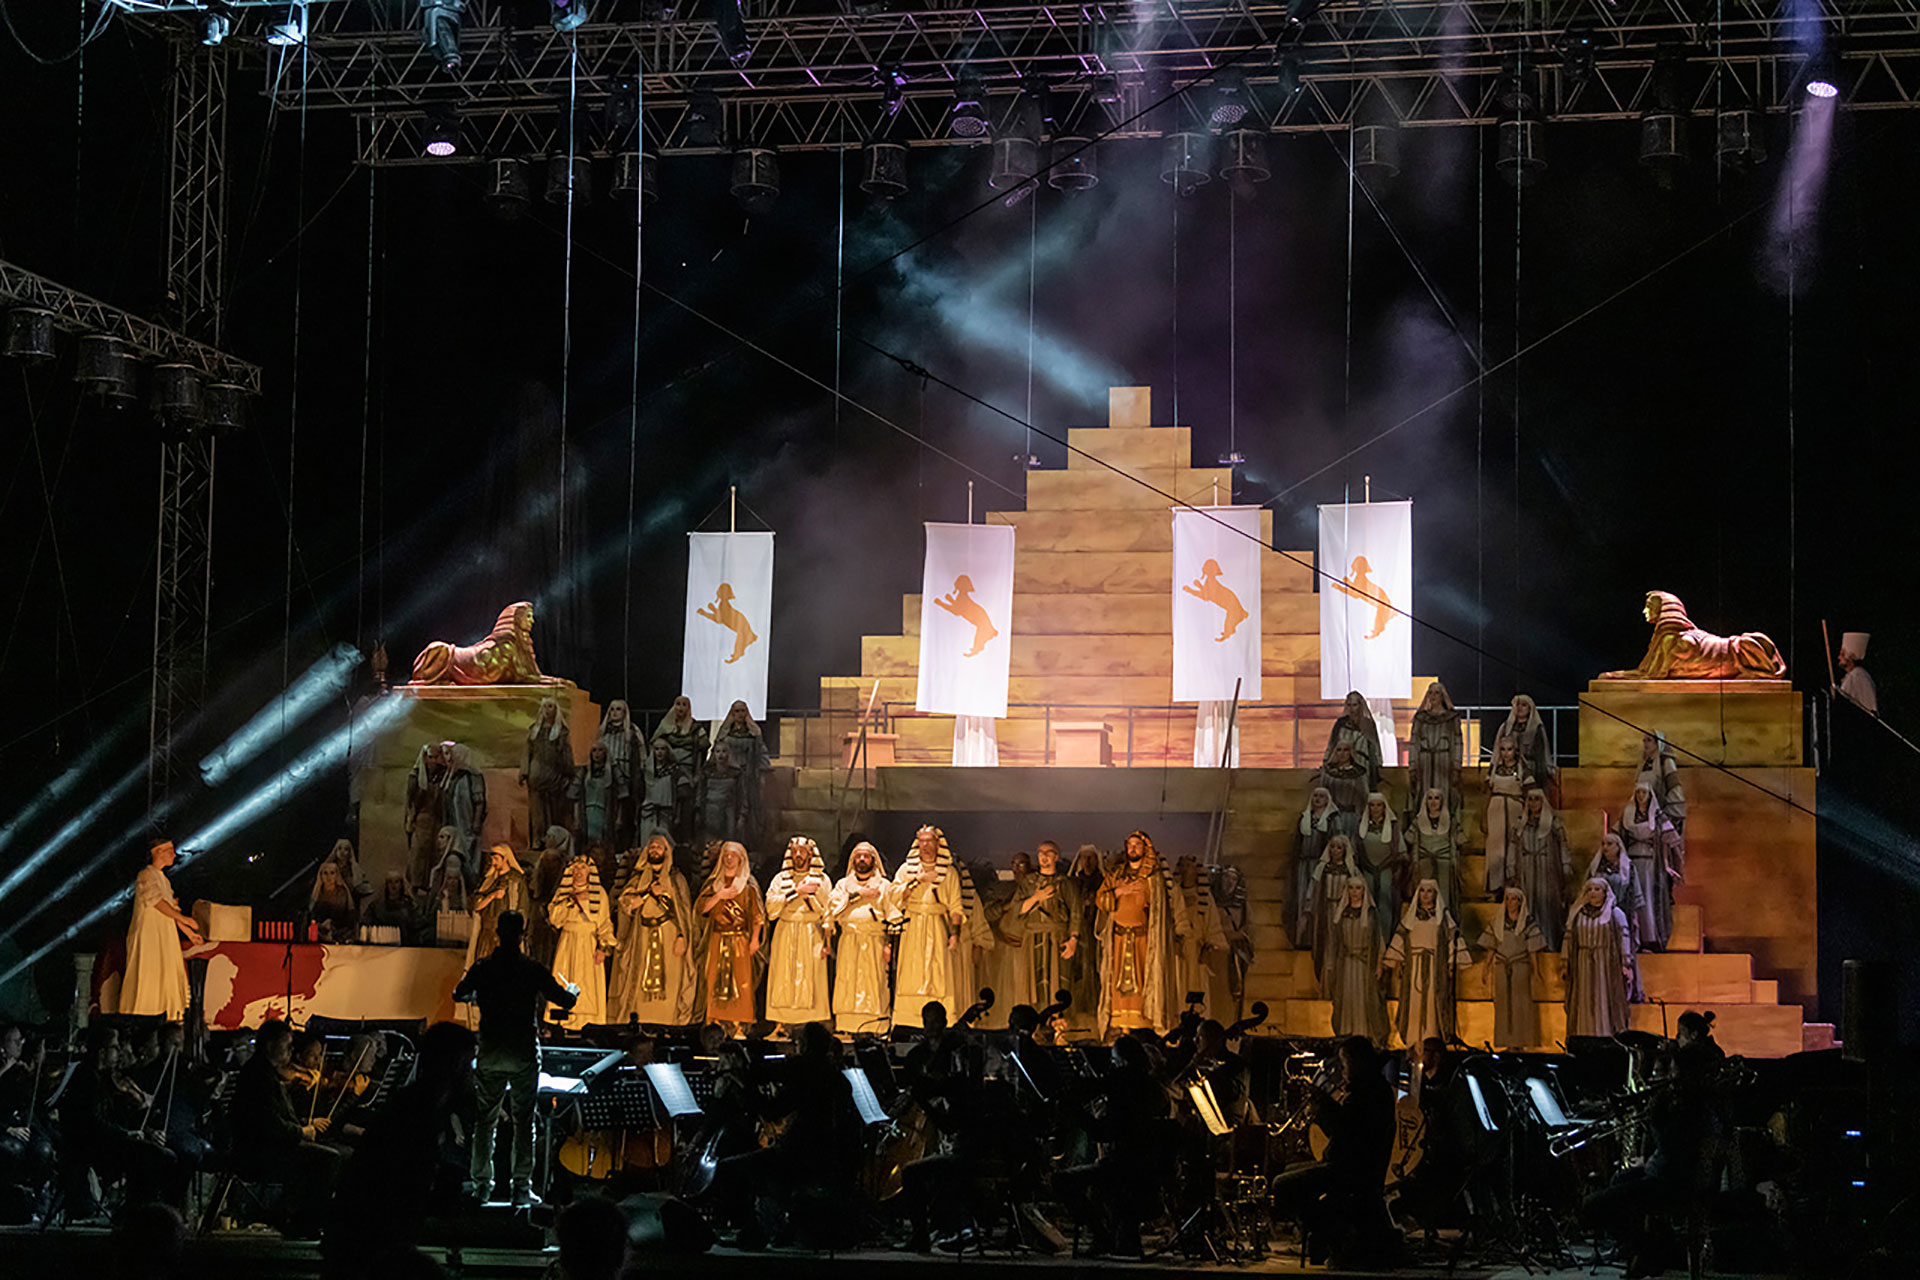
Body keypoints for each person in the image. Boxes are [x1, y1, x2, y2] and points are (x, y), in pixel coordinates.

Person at [451, 910, 579, 1207]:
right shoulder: (531, 969)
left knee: (485, 1122)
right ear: (523, 935)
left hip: (492, 1050)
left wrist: (478, 995)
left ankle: (482, 1186)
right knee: (524, 1122)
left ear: (497, 933)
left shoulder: (483, 967)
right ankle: (521, 1187)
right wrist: (572, 991)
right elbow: (564, 1000)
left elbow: (459, 994)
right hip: (522, 1051)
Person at [230, 1019, 344, 1234]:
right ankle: (306, 1222)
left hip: (273, 1143)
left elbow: (278, 1117)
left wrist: (303, 1125)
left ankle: (295, 1215)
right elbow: (268, 1123)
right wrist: (301, 1131)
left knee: (330, 1154)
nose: (291, 1050)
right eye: (287, 1045)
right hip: (262, 1150)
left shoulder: (266, 1072)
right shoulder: (259, 1076)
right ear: (270, 1046)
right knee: (329, 1159)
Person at [1093, 831, 1188, 1037]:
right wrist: (1119, 892)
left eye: (1137, 844)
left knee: (1144, 983)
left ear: (1145, 848)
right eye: (1130, 844)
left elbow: (1160, 909)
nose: (1133, 848)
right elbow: (1100, 900)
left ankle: (1143, 1028)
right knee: (1116, 985)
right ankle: (1122, 1029)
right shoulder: (1116, 875)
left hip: (1143, 940)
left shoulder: (1153, 878)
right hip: (1118, 940)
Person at [608, 834, 695, 1026]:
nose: (655, 850)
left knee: (670, 983)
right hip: (642, 936)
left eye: (659, 847)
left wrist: (683, 936)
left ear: (666, 851)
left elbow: (684, 913)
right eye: (652, 847)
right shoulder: (637, 879)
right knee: (638, 981)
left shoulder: (676, 879)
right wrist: (649, 893)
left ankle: (668, 1024)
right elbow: (626, 904)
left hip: (670, 939)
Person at [889, 826, 967, 1027]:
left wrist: (954, 934)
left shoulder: (948, 873)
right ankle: (908, 1021)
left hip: (937, 927)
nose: (925, 845)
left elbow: (955, 906)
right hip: (912, 927)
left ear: (937, 844)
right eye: (922, 841)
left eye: (929, 841)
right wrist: (918, 881)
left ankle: (940, 1020)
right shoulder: (906, 870)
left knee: (938, 974)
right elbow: (894, 897)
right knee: (911, 973)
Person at [1382, 879, 1471, 1051]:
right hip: (1414, 968)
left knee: (1432, 1004)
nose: (1425, 895)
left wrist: (1451, 965)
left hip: (1434, 968)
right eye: (1422, 890)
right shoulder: (1410, 917)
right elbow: (1401, 938)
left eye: (1429, 891)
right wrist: (1396, 962)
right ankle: (1413, 1042)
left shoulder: (1442, 917)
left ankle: (1431, 1041)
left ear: (1435, 894)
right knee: (1413, 1003)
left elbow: (1452, 938)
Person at [122, 839, 199, 1018]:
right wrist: (185, 920)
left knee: (167, 974)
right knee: (149, 972)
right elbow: (157, 902)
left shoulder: (164, 880)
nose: (174, 854)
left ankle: (170, 1016)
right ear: (158, 852)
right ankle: (142, 1016)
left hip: (165, 936)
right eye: (170, 850)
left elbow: (171, 909)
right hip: (150, 936)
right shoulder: (146, 875)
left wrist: (188, 932)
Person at [764, 836, 833, 1029]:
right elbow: (771, 908)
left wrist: (827, 943)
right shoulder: (780, 879)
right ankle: (781, 1024)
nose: (798, 855)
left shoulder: (822, 880)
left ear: (810, 854)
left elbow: (828, 911)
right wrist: (796, 892)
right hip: (786, 930)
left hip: (811, 932)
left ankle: (812, 1025)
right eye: (794, 851)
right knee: (782, 976)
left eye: (802, 851)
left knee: (811, 977)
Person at [829, 841, 898, 1033]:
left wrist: (888, 945)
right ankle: (847, 1026)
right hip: (850, 940)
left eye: (866, 856)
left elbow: (894, 916)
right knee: (848, 981)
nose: (861, 859)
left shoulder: (884, 886)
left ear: (873, 860)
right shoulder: (843, 885)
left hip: (874, 940)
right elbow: (833, 910)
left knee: (874, 982)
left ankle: (876, 1026)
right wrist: (858, 894)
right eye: (858, 856)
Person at [695, 841, 764, 1031]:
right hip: (716, 938)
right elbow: (701, 909)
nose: (729, 858)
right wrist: (719, 896)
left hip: (740, 939)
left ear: (741, 860)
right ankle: (715, 1020)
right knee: (713, 978)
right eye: (726, 855)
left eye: (733, 855)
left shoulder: (748, 885)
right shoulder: (714, 884)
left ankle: (739, 1022)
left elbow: (758, 915)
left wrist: (755, 939)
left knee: (741, 980)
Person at [1010, 840, 1081, 1012]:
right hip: (1032, 939)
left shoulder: (1065, 883)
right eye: (1041, 853)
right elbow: (1016, 909)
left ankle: (1057, 1020)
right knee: (1033, 982)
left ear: (1056, 857)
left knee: (1058, 982)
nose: (1044, 856)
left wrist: (1073, 939)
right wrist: (1036, 897)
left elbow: (1076, 912)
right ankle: (1035, 1020)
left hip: (1057, 939)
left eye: (1048, 853)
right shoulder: (1028, 883)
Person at [548, 855, 615, 1029]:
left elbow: (605, 923)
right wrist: (572, 899)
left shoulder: (599, 893)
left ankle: (587, 1025)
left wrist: (603, 947)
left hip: (589, 943)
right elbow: (555, 919)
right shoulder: (563, 892)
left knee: (588, 986)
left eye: (583, 868)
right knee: (565, 979)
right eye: (575, 868)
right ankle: (563, 1024)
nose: (579, 872)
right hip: (568, 943)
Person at [1563, 878, 1634, 1038]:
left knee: (1605, 1000)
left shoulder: (1615, 914)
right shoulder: (1577, 914)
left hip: (1606, 965)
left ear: (1605, 892)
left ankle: (1606, 1037)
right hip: (1582, 964)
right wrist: (1565, 962)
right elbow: (1568, 938)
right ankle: (1584, 1036)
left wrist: (1626, 962)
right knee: (1583, 1001)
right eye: (1589, 890)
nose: (1592, 893)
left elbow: (1624, 937)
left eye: (1597, 889)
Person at [1478, 888, 1546, 1049]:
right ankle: (1506, 1042)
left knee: (1520, 1005)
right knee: (1503, 1006)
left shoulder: (1527, 923)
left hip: (1520, 967)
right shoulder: (1498, 923)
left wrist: (1536, 971)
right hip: (1502, 967)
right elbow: (1492, 947)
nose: (1510, 903)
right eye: (1507, 899)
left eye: (1514, 899)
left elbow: (1533, 950)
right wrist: (1486, 968)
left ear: (1520, 902)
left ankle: (1521, 1042)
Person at [1620, 782, 1683, 950]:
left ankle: (1650, 939)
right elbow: (1618, 839)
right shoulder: (1627, 815)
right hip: (1631, 864)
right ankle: (1633, 939)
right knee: (1634, 901)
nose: (1641, 796)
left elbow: (1669, 842)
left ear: (1650, 795)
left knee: (1648, 901)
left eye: (1644, 792)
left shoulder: (1658, 816)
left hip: (1650, 866)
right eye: (1638, 792)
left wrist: (1668, 865)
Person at [1324, 878, 1388, 1045]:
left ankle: (1364, 1036)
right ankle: (1347, 1034)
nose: (1354, 892)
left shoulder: (1371, 914)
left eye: (1358, 888)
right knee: (1347, 999)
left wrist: (1379, 963)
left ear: (1363, 891)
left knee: (1365, 1000)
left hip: (1365, 965)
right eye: (1351, 888)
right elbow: (1334, 942)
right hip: (1346, 964)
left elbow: (1378, 940)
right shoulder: (1342, 914)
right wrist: (1331, 965)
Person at [1510, 787, 1572, 951]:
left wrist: (1566, 865)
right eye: (1530, 799)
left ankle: (1549, 942)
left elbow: (1563, 844)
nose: (1533, 803)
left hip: (1547, 869)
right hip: (1526, 869)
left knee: (1547, 904)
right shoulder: (1520, 823)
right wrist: (1510, 867)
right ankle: (1527, 945)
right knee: (1528, 905)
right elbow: (1512, 845)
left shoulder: (1553, 823)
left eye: (1536, 799)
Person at [1171, 854, 1230, 1019]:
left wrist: (1209, 948)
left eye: (1189, 866)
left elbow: (1213, 927)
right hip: (1178, 952)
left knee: (1197, 992)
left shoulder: (1204, 897)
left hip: (1197, 953)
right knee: (1177, 990)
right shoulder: (1172, 895)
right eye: (1182, 866)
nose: (1186, 870)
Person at [705, 701, 771, 846]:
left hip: (748, 776)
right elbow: (716, 751)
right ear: (732, 714)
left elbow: (761, 752)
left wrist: (762, 771)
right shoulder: (725, 734)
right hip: (730, 777)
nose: (740, 714)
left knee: (747, 809)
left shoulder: (753, 734)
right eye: (737, 711)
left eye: (742, 711)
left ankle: (747, 842)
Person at [650, 697, 709, 851]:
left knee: (686, 803)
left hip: (687, 771)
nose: (680, 708)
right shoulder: (666, 725)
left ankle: (686, 839)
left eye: (684, 705)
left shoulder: (695, 728)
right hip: (668, 772)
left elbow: (703, 747)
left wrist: (696, 772)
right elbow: (655, 743)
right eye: (678, 704)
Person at [1306, 835, 1360, 987]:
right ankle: (1327, 982)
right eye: (1332, 847)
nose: (1335, 850)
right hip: (1326, 911)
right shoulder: (1323, 869)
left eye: (1339, 847)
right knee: (1328, 943)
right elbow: (1313, 890)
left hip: (1343, 911)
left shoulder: (1350, 871)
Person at [1482, 735, 1531, 894]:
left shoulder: (1522, 768)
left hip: (1515, 807)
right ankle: (1496, 886)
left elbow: (1529, 790)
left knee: (1513, 846)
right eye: (1502, 749)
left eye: (1509, 749)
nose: (1506, 753)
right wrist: (1483, 816)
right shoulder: (1494, 767)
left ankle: (1514, 884)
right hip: (1495, 808)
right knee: (1495, 847)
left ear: (1515, 750)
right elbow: (1487, 791)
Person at [1295, 786, 1343, 947]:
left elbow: (1337, 841)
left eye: (1321, 796)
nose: (1317, 799)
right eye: (1315, 796)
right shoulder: (1305, 817)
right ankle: (1304, 939)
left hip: (1321, 864)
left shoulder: (1332, 819)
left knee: (1317, 900)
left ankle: (1319, 940)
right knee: (1303, 900)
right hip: (1304, 865)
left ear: (1327, 800)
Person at [522, 699, 575, 845]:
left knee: (554, 811)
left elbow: (566, 753)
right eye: (544, 707)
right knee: (537, 813)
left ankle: (553, 841)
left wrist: (569, 773)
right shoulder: (534, 730)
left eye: (550, 706)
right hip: (536, 776)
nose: (547, 710)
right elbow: (527, 752)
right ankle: (537, 840)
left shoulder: (562, 732)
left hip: (554, 776)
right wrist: (524, 772)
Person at [1404, 787, 1463, 917]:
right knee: (1424, 895)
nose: (1433, 802)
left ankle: (1445, 922)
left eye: (1437, 798)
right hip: (1424, 862)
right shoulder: (1418, 821)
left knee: (1444, 895)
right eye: (1430, 798)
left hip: (1444, 862)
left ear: (1442, 801)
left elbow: (1459, 840)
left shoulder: (1451, 820)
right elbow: (1410, 839)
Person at [467, 844, 528, 970]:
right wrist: (492, 896)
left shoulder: (516, 880)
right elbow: (476, 905)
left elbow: (522, 907)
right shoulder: (488, 881)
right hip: (487, 931)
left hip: (506, 934)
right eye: (492, 859)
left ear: (505, 858)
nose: (493, 863)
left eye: (496, 859)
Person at [1407, 680, 1463, 815]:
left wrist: (1456, 766)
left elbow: (1457, 742)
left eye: (1437, 693)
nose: (1433, 696)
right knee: (1423, 794)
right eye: (1430, 693)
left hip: (1443, 762)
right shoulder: (1421, 718)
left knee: (1444, 794)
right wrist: (1413, 766)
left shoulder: (1451, 718)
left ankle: (1445, 823)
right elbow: (1414, 742)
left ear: (1442, 696)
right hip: (1424, 762)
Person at [595, 699, 646, 849]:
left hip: (627, 777)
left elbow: (642, 753)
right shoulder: (603, 731)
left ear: (624, 712)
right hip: (606, 776)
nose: (615, 712)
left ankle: (624, 847)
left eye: (618, 709)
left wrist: (640, 773)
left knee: (625, 816)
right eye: (612, 709)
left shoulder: (632, 731)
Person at [404, 742, 450, 890]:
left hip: (437, 821)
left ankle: (431, 886)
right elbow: (410, 801)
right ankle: (416, 884)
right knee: (418, 853)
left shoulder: (444, 775)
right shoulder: (416, 776)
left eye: (436, 757)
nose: (433, 761)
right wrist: (410, 820)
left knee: (435, 854)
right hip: (421, 820)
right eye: (431, 757)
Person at [1495, 694, 1556, 794]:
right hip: (1509, 772)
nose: (1520, 708)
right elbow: (1497, 751)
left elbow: (1542, 755)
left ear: (1530, 708)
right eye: (1517, 705)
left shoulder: (1536, 729)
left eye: (1524, 705)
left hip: (1532, 770)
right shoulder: (1506, 727)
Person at [1323, 691, 1384, 791]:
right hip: (1342, 765)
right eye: (1349, 705)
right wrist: (1326, 760)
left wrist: (1378, 764)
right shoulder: (1340, 724)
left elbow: (1375, 745)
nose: (1352, 709)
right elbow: (1332, 743)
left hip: (1362, 765)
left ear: (1360, 706)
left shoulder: (1368, 725)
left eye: (1354, 705)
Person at [441, 742, 487, 869]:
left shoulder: (474, 777)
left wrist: (476, 821)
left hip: (468, 822)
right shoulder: (453, 776)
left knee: (470, 851)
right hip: (455, 819)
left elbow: (479, 801)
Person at [1636, 732, 1688, 836]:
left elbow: (1674, 787)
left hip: (1662, 811)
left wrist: (1668, 812)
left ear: (1658, 743)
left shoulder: (1665, 762)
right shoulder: (1643, 765)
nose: (1645, 743)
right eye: (1644, 740)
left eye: (1649, 740)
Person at [307, 857, 362, 943]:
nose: (328, 877)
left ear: (336, 875)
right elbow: (311, 913)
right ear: (321, 875)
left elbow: (347, 917)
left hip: (339, 932)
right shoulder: (317, 893)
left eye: (332, 873)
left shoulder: (342, 893)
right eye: (325, 873)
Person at [364, 870, 426, 944]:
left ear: (401, 884)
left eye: (396, 882)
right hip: (381, 943)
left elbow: (418, 925)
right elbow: (366, 923)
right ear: (386, 885)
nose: (393, 885)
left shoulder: (410, 905)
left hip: (405, 945)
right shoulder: (376, 905)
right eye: (390, 882)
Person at [573, 743, 615, 851]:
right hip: (586, 812)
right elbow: (575, 795)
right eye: (594, 750)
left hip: (604, 812)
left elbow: (619, 796)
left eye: (600, 750)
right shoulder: (584, 772)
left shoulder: (612, 773)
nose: (597, 754)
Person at [1837, 632, 1878, 714]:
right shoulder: (1857, 674)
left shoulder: (1856, 676)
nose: (1839, 657)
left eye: (1842, 654)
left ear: (1851, 657)